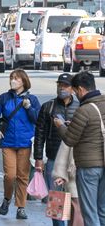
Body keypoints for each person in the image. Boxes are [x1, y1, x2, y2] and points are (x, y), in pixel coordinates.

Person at [54, 71, 105, 226]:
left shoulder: (84, 110)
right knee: (102, 210)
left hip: (88, 167)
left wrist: (60, 126)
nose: (75, 94)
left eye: (75, 91)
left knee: (89, 212)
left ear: (81, 89)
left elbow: (70, 139)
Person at [33, 73, 79, 226]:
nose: (61, 88)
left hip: (74, 161)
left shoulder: (80, 106)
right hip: (53, 159)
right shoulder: (48, 106)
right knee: (56, 202)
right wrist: (38, 159)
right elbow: (39, 135)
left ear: (73, 89)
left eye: (65, 85)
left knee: (75, 200)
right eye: (59, 85)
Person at [0, 69, 41, 219]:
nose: (13, 80)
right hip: (7, 142)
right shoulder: (3, 98)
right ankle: (7, 199)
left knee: (22, 176)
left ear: (24, 81)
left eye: (16, 78)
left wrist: (29, 108)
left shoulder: (32, 99)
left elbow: (37, 120)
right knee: (10, 175)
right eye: (12, 78)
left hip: (26, 143)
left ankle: (21, 207)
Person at [52, 141, 84, 226]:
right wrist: (60, 174)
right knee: (76, 211)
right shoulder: (74, 128)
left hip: (97, 177)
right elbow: (65, 148)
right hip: (74, 177)